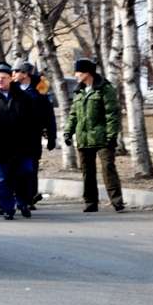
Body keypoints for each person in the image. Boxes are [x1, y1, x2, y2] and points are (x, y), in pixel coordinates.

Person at [0, 61, 38, 220]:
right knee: (4, 178)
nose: (0, 81)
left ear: (11, 78)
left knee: (25, 173)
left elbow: (32, 122)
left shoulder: (23, 97)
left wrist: (32, 144)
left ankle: (23, 202)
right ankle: (7, 208)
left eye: (3, 78)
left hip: (22, 145)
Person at [64, 58, 126, 213]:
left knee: (108, 168)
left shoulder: (105, 89)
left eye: (78, 72)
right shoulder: (78, 91)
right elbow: (73, 115)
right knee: (87, 172)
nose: (76, 75)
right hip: (84, 138)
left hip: (103, 138)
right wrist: (68, 132)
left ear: (87, 72)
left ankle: (117, 201)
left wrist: (112, 136)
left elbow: (112, 114)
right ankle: (90, 202)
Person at [12, 62, 56, 208]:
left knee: (31, 168)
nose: (14, 74)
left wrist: (51, 136)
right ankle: (18, 196)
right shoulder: (12, 88)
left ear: (25, 74)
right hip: (14, 136)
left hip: (32, 136)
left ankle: (30, 197)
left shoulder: (40, 90)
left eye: (17, 71)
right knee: (15, 167)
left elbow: (49, 115)